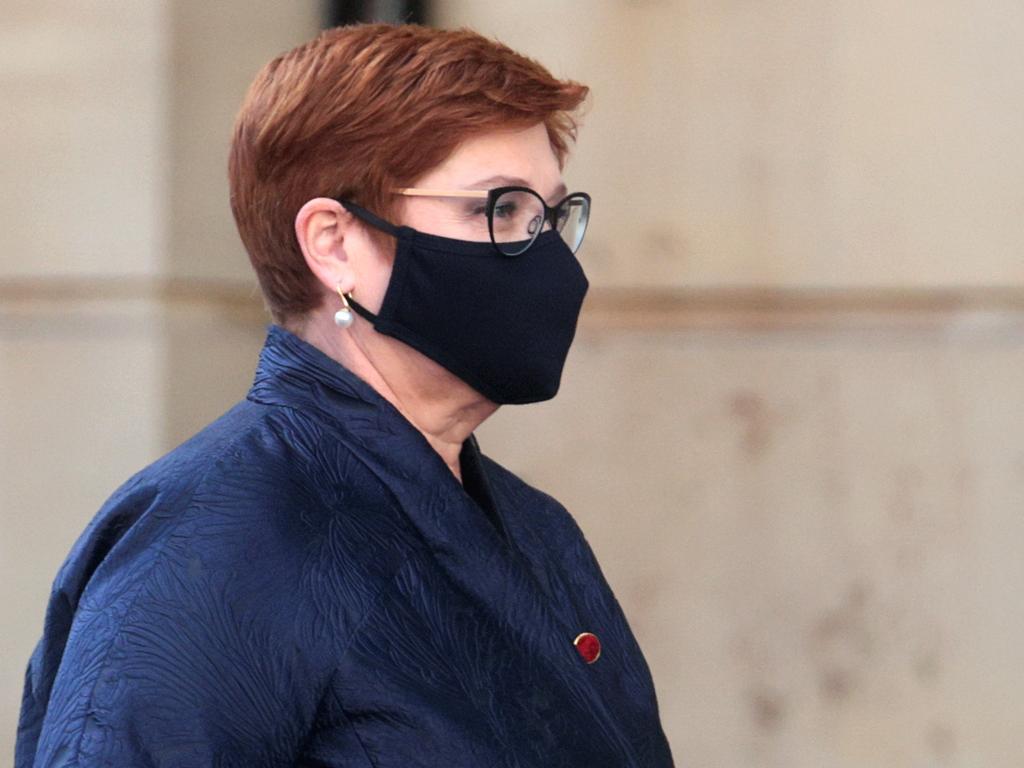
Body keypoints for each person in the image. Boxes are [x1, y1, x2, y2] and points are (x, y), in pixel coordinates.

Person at [16, 23, 674, 767]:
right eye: (498, 209)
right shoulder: (219, 541)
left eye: (550, 215)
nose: (543, 252)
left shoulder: (536, 532)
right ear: (333, 243)